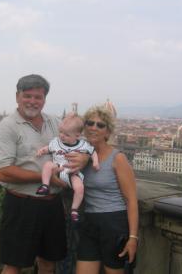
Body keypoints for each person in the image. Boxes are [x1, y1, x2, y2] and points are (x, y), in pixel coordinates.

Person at [0, 74, 88, 274]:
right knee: (13, 264)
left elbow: (77, 144)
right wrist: (43, 178)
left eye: (38, 97)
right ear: (17, 96)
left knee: (49, 261)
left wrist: (85, 159)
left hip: (52, 204)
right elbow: (0, 172)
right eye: (28, 96)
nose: (32, 101)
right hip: (21, 204)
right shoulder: (7, 127)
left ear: (44, 99)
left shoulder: (55, 123)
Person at [76, 106, 139, 274]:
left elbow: (131, 200)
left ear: (108, 132)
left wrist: (133, 238)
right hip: (90, 222)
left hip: (114, 223)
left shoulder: (117, 158)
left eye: (100, 125)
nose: (94, 127)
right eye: (90, 123)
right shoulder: (83, 157)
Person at [36, 113, 99, 222]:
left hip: (72, 172)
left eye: (67, 134)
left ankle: (74, 209)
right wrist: (42, 150)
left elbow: (93, 152)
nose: (62, 136)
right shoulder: (56, 142)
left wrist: (95, 162)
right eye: (61, 132)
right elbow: (49, 148)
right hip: (58, 166)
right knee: (47, 165)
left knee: (80, 188)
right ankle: (45, 185)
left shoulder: (83, 145)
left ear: (77, 135)